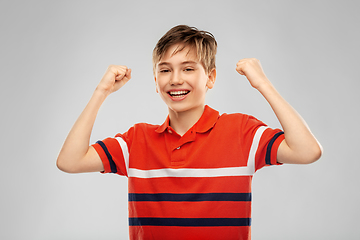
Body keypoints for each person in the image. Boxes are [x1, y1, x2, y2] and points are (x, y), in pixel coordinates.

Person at [57, 25, 322, 240]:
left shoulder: (242, 132)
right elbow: (70, 161)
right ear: (155, 81)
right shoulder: (137, 141)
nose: (175, 79)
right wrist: (101, 92)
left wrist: (262, 83)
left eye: (188, 68)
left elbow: (307, 151)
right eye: (165, 70)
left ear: (211, 78)